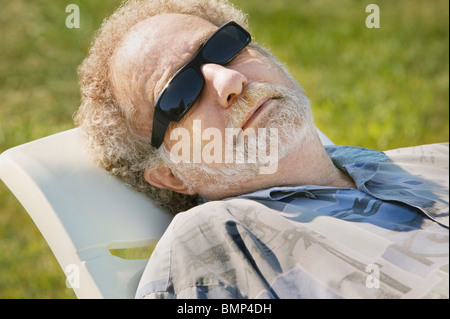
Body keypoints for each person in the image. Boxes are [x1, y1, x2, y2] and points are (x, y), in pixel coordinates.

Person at [74, 0, 448, 298]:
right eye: (180, 95)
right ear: (172, 175)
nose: (230, 80)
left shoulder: (429, 161)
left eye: (224, 48)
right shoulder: (214, 243)